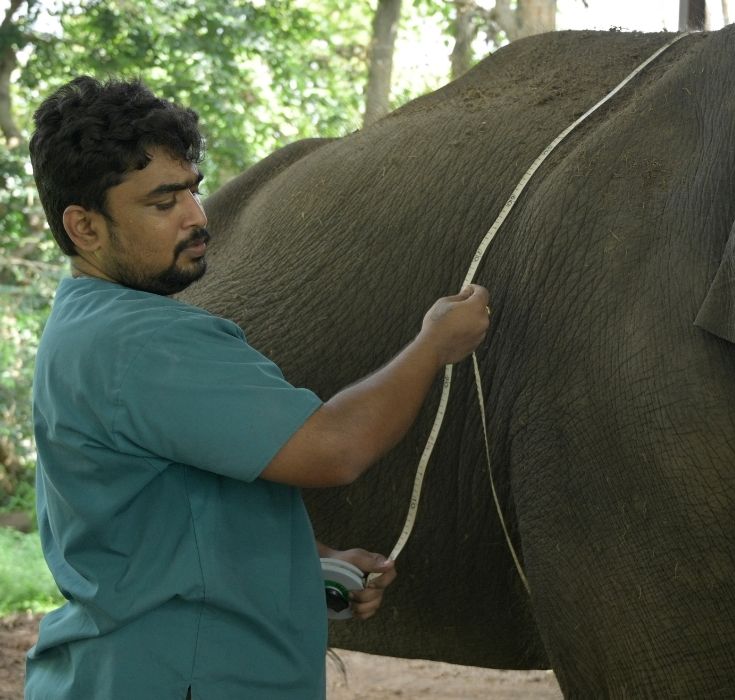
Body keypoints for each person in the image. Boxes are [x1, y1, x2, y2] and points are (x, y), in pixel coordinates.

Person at [24, 76, 490, 699]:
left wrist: (306, 563)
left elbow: (165, 516)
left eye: (192, 190)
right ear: (84, 227)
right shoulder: (143, 339)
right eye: (163, 204)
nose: (197, 216)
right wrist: (433, 345)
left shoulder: (82, 323)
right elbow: (334, 448)